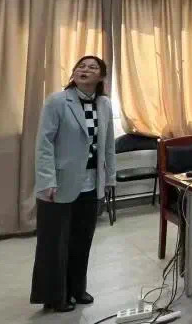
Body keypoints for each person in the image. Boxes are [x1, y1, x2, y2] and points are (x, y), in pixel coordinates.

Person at [31, 56, 116, 312]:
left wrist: (109, 178)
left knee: (82, 240)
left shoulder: (104, 104)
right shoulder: (57, 101)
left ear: (101, 77)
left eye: (92, 67)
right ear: (74, 72)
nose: (85, 69)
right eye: (81, 66)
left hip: (91, 183)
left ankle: (77, 289)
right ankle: (55, 296)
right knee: (54, 243)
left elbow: (108, 145)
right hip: (58, 184)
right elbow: (44, 144)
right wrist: (47, 180)